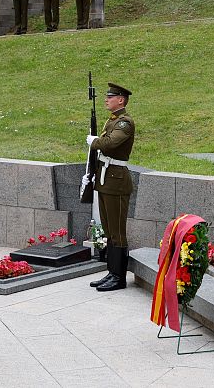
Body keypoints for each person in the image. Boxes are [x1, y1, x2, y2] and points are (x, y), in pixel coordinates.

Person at [86, 83, 135, 292]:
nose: (107, 99)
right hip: (106, 180)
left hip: (117, 181)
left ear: (121, 100)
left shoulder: (125, 123)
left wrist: (94, 141)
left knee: (117, 232)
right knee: (108, 230)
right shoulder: (113, 120)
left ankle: (119, 277)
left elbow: (108, 144)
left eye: (111, 96)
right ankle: (112, 272)